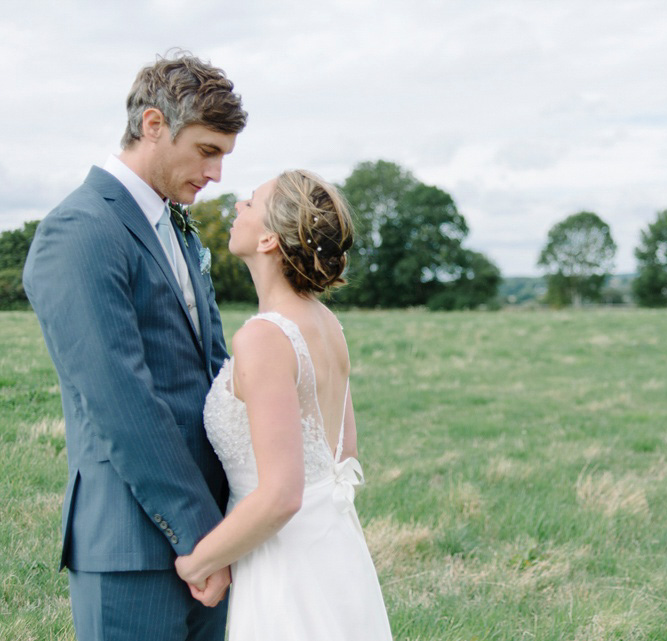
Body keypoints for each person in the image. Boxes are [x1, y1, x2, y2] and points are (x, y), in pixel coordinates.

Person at [22, 52, 247, 640]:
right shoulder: (81, 229)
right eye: (207, 150)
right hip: (131, 545)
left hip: (212, 539)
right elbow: (121, 399)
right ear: (153, 125)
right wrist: (201, 536)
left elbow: (210, 367)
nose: (218, 173)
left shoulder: (173, 223)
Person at [173, 170, 393, 640]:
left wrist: (200, 561)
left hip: (285, 565)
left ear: (271, 238)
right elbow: (344, 454)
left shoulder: (265, 336)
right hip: (333, 550)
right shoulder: (327, 323)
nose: (236, 207)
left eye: (250, 203)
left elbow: (280, 495)